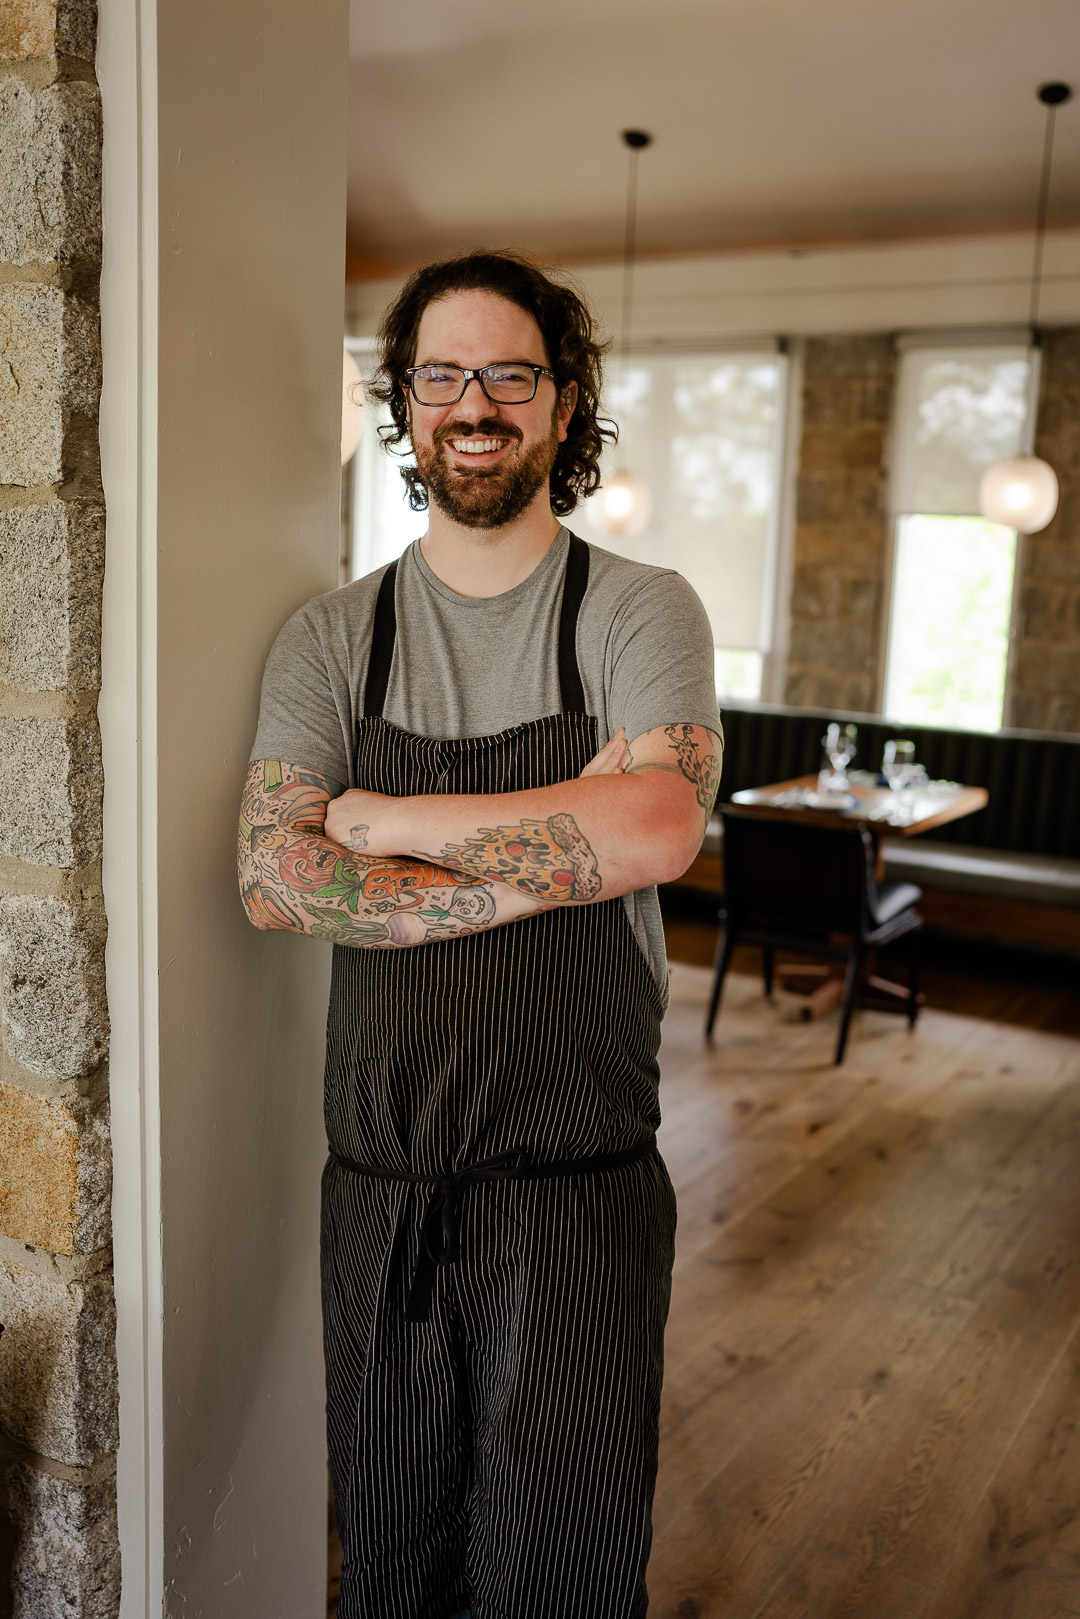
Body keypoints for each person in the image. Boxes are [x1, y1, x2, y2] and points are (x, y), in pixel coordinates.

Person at [238, 250, 723, 1619]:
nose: (474, 404)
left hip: (576, 1195)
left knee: (558, 1576)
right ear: (403, 402)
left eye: (510, 374)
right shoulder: (334, 639)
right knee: (391, 1569)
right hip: (381, 1200)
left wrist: (391, 820)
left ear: (564, 405)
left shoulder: (637, 610)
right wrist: (528, 866)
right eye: (441, 375)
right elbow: (277, 878)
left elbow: (655, 829)